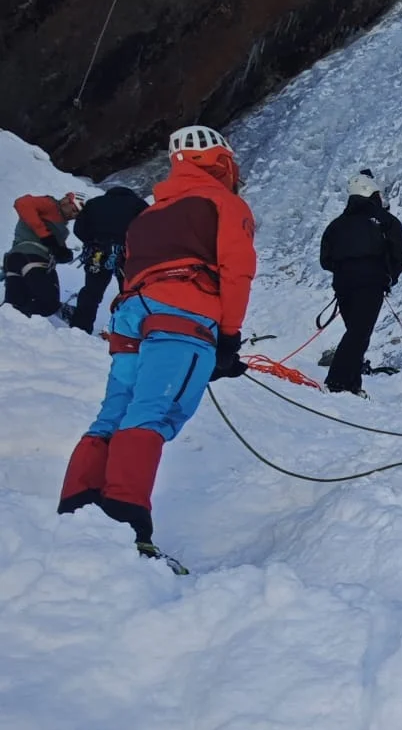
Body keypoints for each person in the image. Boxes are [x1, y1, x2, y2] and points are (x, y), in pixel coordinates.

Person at [57, 126, 255, 552]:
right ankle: (127, 527)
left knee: (115, 412)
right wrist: (228, 339)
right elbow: (237, 270)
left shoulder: (146, 215)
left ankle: (77, 511)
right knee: (154, 411)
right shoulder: (225, 202)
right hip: (183, 312)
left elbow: (128, 270)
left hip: (132, 314)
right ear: (221, 162)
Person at [318, 170, 402, 396]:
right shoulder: (385, 221)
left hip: (342, 284)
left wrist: (344, 269)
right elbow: (399, 254)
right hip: (371, 282)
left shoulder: (336, 225)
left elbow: (325, 259)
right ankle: (337, 380)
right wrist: (390, 276)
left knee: (356, 332)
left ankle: (352, 382)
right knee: (359, 333)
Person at [69, 184, 148, 333]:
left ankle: (79, 328)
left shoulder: (94, 203)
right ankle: (128, 331)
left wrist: (91, 241)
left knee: (92, 291)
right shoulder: (138, 205)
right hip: (126, 254)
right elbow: (148, 228)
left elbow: (79, 229)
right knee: (129, 293)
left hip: (98, 251)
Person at [4, 191, 81, 318]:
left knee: (12, 307)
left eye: (77, 214)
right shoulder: (50, 205)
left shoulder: (57, 222)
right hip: (32, 258)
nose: (74, 216)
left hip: (16, 260)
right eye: (74, 210)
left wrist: (63, 252)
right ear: (66, 201)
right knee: (48, 304)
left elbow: (52, 244)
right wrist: (46, 236)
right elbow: (22, 203)